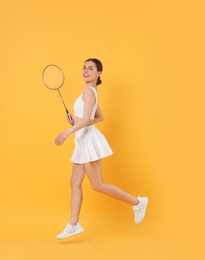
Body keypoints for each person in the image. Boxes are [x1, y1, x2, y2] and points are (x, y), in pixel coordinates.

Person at [54, 58, 149, 239]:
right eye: (84, 67)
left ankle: (137, 202)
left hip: (89, 141)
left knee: (97, 185)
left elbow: (89, 120)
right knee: (74, 182)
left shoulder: (90, 91)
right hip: (82, 141)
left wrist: (68, 131)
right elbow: (99, 117)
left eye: (90, 68)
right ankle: (74, 223)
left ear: (98, 74)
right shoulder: (90, 91)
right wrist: (77, 119)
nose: (85, 71)